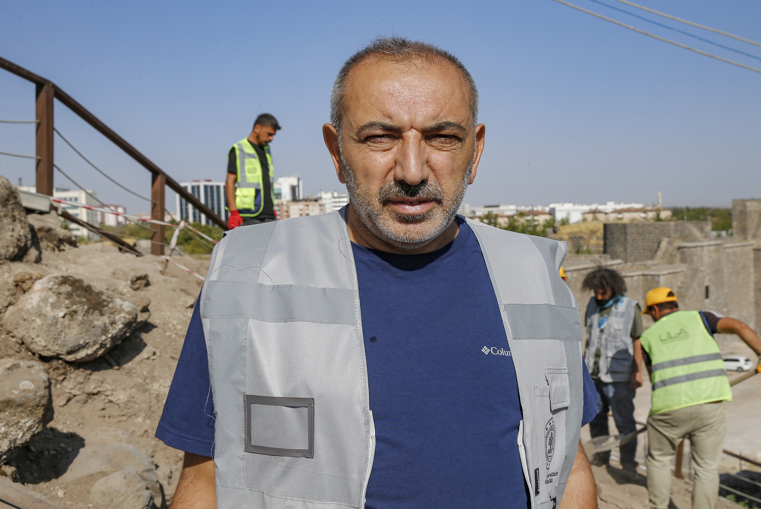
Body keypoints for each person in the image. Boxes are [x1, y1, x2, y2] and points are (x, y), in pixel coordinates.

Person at [157, 37, 599, 509]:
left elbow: (568, 467)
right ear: (335, 150)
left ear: (476, 149)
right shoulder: (248, 277)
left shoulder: (534, 277)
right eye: (379, 137)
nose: (411, 170)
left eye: (442, 137)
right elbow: (204, 480)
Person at [639, 287, 761, 509]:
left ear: (655, 310)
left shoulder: (647, 337)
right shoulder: (702, 318)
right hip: (708, 406)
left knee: (659, 460)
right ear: (674, 305)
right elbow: (739, 326)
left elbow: (653, 378)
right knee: (706, 468)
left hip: (668, 409)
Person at [581, 268, 643, 473]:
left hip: (619, 377)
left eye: (603, 293)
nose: (599, 296)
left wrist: (637, 372)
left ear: (614, 289)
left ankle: (628, 464)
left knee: (624, 421)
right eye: (596, 292)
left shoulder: (630, 307)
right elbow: (590, 338)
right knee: (596, 418)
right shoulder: (592, 304)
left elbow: (637, 342)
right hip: (594, 375)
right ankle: (601, 459)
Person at [225, 113, 281, 229]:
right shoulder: (238, 149)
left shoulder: (266, 150)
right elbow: (229, 182)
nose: (271, 139)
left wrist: (271, 208)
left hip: (269, 214)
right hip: (248, 215)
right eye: (269, 134)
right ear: (257, 128)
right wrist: (234, 212)